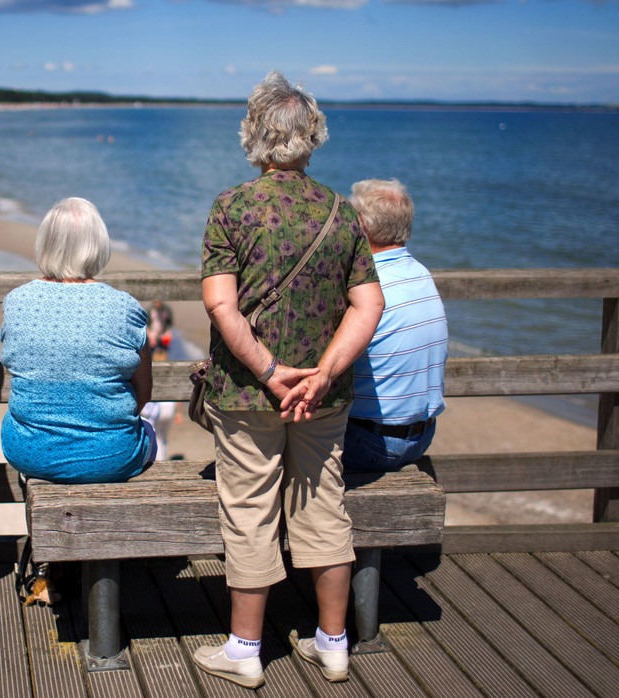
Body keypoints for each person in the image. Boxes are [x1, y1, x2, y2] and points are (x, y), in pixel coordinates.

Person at [192, 71, 383, 689]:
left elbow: (221, 307)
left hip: (248, 393)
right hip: (320, 397)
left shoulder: (232, 207)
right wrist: (322, 374)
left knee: (249, 510)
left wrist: (272, 372)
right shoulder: (342, 213)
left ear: (253, 135)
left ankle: (245, 648)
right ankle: (333, 643)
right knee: (323, 505)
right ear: (313, 137)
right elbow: (369, 304)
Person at [0, 197, 156, 484]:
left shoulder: (16, 302)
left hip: (27, 451)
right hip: (111, 456)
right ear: (98, 245)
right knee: (150, 435)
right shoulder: (124, 307)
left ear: (46, 244)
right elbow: (142, 393)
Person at [343, 179, 448, 472]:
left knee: (285, 445)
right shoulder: (420, 274)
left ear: (361, 227)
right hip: (422, 436)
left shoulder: (369, 285)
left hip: (371, 441)